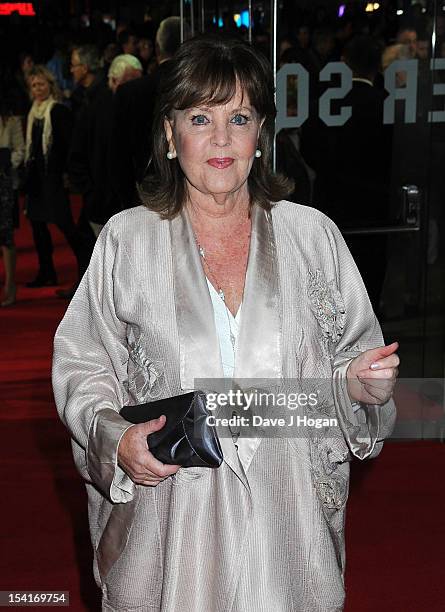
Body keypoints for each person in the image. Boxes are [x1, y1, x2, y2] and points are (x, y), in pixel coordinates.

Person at [53, 34, 398, 612]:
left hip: (288, 522)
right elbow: (84, 366)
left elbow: (350, 363)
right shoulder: (127, 242)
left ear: (259, 134)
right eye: (199, 117)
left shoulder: (312, 237)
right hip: (175, 522)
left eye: (238, 117)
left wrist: (357, 388)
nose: (220, 139)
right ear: (169, 134)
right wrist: (118, 439)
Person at [24, 66, 86, 288]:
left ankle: (84, 272)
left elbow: (69, 145)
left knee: (65, 224)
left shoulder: (58, 111)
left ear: (50, 85)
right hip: (36, 178)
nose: (37, 89)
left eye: (41, 84)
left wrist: (67, 174)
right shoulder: (32, 112)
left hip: (53, 176)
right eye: (33, 85)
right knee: (37, 226)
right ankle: (46, 272)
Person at [0, 88, 25, 306]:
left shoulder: (11, 121)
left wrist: (6, 167)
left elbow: (20, 150)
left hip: (3, 184)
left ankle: (10, 285)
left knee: (5, 235)